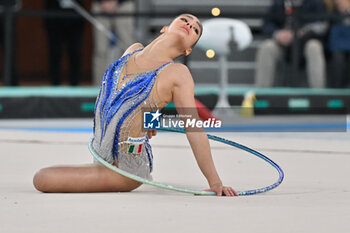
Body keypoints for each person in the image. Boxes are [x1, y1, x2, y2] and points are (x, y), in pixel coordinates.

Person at [33, 14, 238, 197]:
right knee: (43, 177)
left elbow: (193, 128)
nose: (190, 25)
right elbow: (118, 96)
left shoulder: (178, 74)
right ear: (165, 28)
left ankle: (132, 171)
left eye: (195, 30)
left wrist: (215, 183)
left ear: (188, 49)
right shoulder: (133, 50)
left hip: (125, 169)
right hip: (100, 153)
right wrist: (149, 118)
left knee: (42, 178)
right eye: (185, 19)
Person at [255, 0, 328, 88]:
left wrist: (302, 33)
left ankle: (319, 95)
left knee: (314, 46)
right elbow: (266, 24)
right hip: (283, 46)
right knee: (267, 47)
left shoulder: (316, 3)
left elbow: (323, 25)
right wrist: (278, 34)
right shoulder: (278, 3)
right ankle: (262, 95)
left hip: (305, 44)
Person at [92, 0, 136, 86]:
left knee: (128, 49)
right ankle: (98, 92)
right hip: (100, 5)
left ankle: (129, 89)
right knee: (101, 50)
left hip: (124, 4)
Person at [43, 0, 85, 86]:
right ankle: (55, 84)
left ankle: (75, 84)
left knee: (74, 52)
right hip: (54, 16)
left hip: (74, 17)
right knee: (55, 52)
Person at [328, 0, 350, 88]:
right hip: (339, 48)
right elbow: (334, 38)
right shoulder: (334, 16)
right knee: (338, 57)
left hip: (344, 45)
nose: (337, 1)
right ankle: (337, 92)